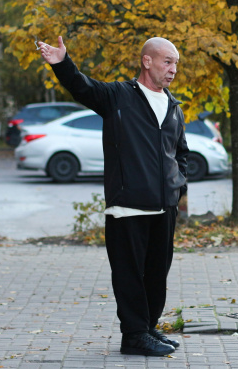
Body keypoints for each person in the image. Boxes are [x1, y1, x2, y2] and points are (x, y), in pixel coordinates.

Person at [38, 36, 188, 356]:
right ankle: (133, 334)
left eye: (176, 63)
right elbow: (82, 87)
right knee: (129, 274)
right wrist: (62, 63)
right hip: (128, 205)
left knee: (157, 273)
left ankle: (147, 328)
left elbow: (180, 153)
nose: (173, 69)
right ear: (147, 61)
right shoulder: (117, 96)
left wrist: (178, 186)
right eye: (167, 61)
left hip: (164, 206)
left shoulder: (173, 106)